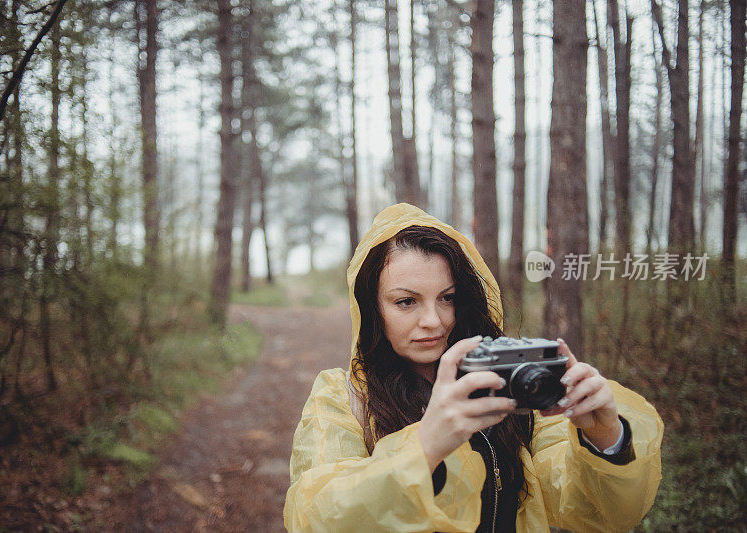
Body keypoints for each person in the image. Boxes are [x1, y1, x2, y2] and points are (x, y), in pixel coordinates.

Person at [283, 204, 663, 532]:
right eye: (406, 302)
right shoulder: (345, 397)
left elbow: (591, 509)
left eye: (447, 298)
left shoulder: (501, 381)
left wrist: (604, 438)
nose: (433, 320)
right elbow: (317, 517)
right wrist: (426, 447)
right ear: (372, 309)